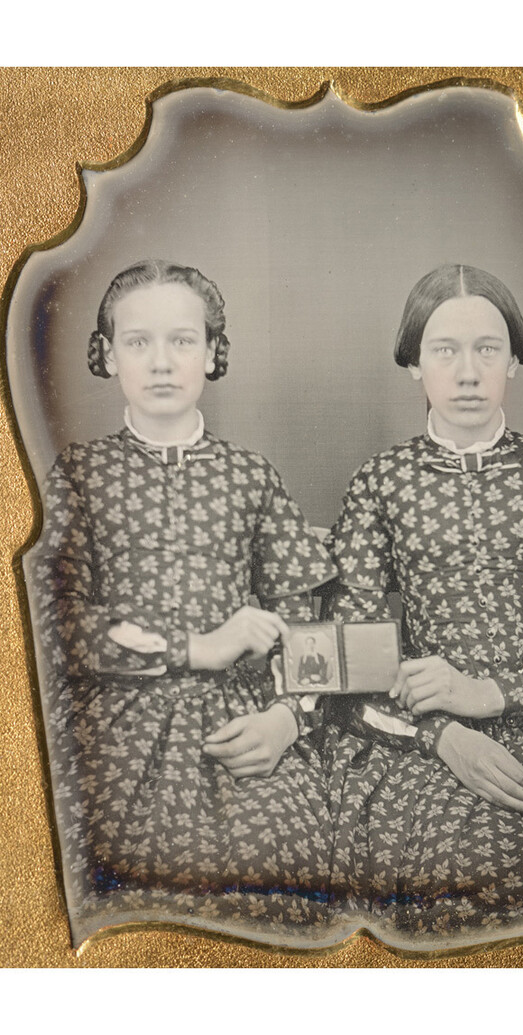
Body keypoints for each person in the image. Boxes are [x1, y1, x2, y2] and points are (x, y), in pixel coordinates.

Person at [323, 264, 523, 941]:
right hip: (424, 741)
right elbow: (345, 674)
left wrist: (492, 693)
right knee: (447, 881)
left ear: (513, 362)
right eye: (445, 350)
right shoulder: (380, 484)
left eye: (487, 349)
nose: (468, 373)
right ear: (415, 363)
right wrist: (442, 735)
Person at [30, 259, 336, 943]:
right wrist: (197, 647)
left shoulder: (250, 476)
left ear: (212, 352)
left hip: (241, 724)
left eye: (183, 340)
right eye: (138, 341)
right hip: (115, 727)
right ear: (109, 354)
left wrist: (286, 720)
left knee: (283, 857)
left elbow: (308, 623)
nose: (162, 362)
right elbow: (54, 620)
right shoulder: (78, 475)